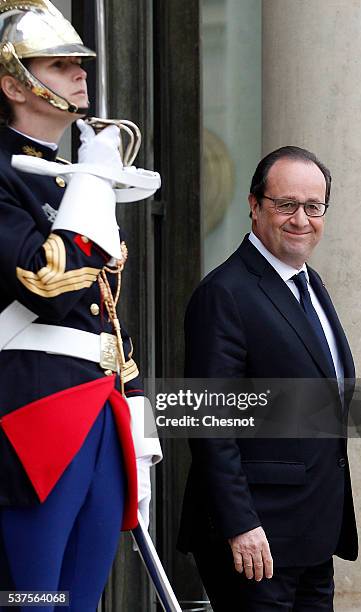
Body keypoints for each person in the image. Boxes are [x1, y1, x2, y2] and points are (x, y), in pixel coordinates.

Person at [0, 1, 161, 610]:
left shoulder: (71, 175)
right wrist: (94, 184)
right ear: (15, 84)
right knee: (28, 600)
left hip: (99, 412)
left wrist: (140, 429)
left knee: (83, 599)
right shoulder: (9, 175)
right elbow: (44, 282)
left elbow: (107, 314)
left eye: (80, 63)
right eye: (59, 64)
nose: (79, 73)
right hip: (30, 415)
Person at [178, 146, 358, 611]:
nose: (302, 219)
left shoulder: (309, 283)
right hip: (255, 541)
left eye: (314, 207)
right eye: (286, 205)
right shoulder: (224, 293)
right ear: (255, 206)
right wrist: (240, 525)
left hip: (312, 535)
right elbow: (206, 423)